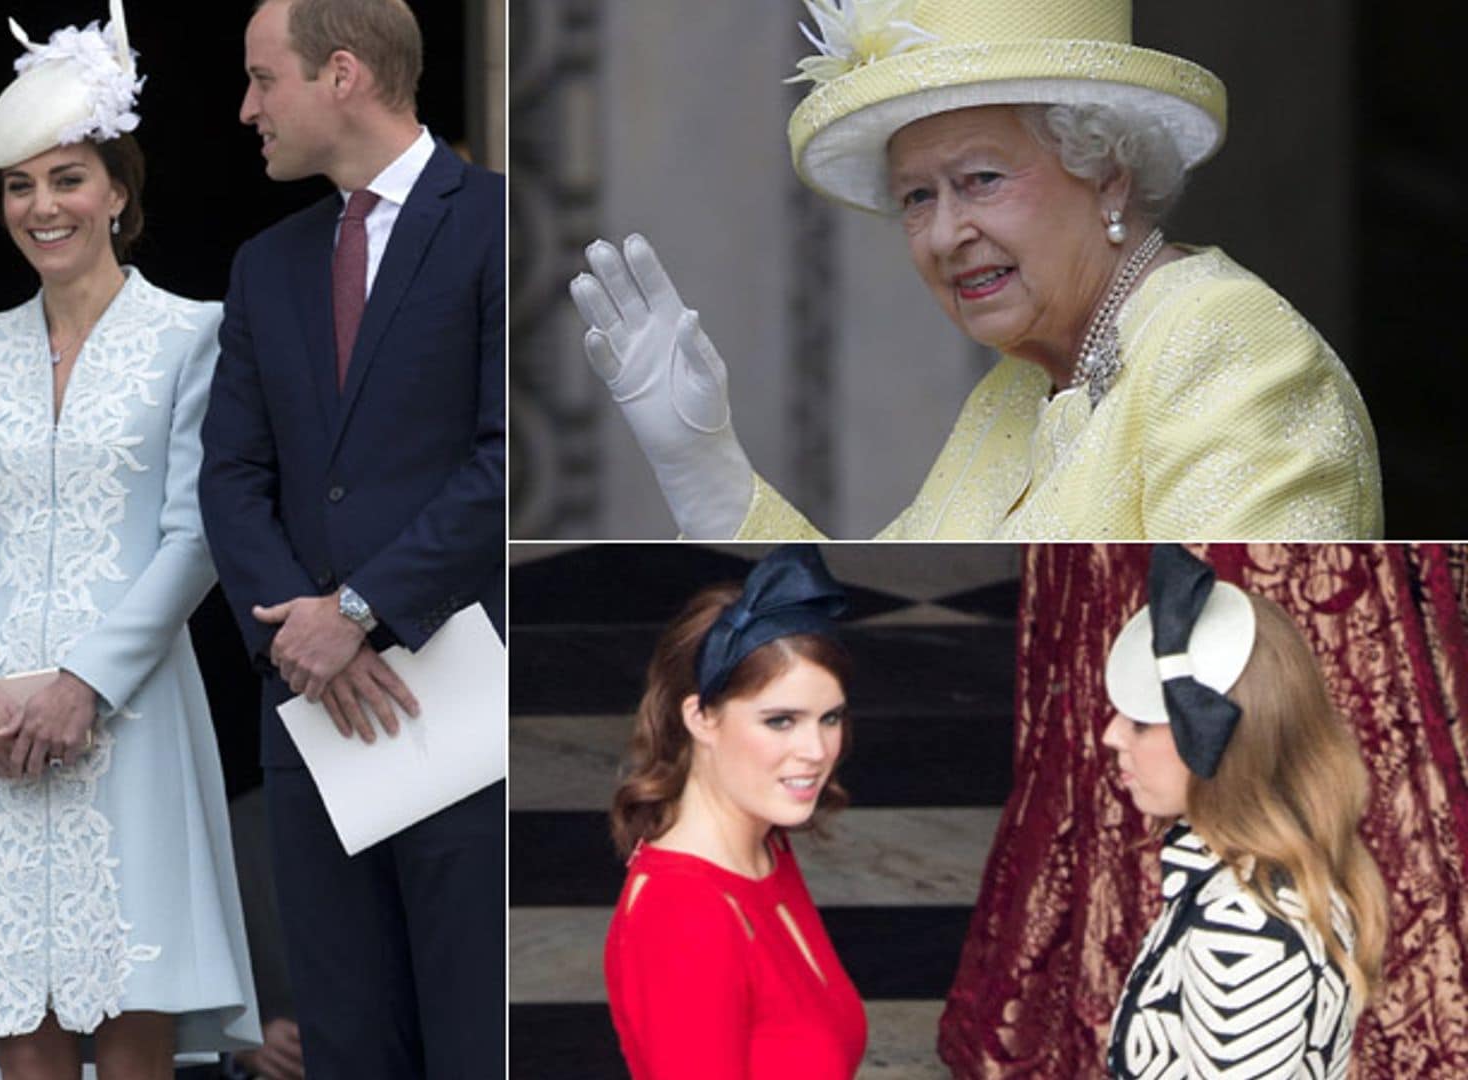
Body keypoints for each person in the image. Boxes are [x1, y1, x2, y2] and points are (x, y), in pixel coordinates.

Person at [570, 0, 1381, 540]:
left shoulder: (1224, 341)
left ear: (1109, 174)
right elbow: (858, 629)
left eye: (982, 180)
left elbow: (1245, 652)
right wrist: (704, 469)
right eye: (917, 197)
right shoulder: (1013, 396)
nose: (947, 233)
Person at [0, 4, 261, 1075]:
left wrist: (84, 683)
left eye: (66, 178)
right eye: (19, 185)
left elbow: (196, 536)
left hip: (127, 713)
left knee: (130, 1009)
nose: (42, 206)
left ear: (119, 192)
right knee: (22, 1024)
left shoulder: (195, 331)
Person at [200, 0, 505, 1075]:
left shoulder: (504, 221)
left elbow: (513, 457)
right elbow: (231, 475)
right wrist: (301, 635)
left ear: (341, 75)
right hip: (310, 711)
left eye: (260, 80)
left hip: (462, 699)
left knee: (477, 1035)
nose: (246, 110)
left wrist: (363, 612)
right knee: (349, 1045)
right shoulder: (265, 264)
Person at [1099, 544, 1388, 1077]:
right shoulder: (1245, 884)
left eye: (1141, 721)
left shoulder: (1248, 924)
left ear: (1220, 737)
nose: (1111, 734)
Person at [603, 545, 867, 1079]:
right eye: (781, 721)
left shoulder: (763, 849)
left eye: (830, 717)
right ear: (701, 717)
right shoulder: (687, 913)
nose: (817, 750)